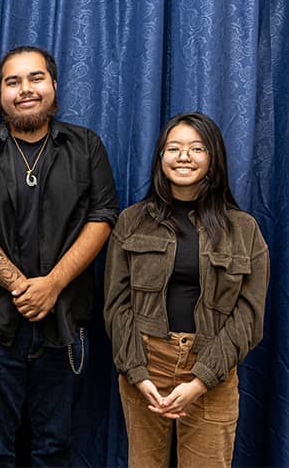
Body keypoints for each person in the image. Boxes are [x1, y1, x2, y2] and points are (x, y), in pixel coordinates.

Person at [0, 45, 119, 466]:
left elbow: (102, 218)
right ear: (0, 93)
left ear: (54, 86)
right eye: (13, 82)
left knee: (54, 447)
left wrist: (53, 285)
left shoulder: (85, 146)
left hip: (64, 322)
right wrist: (21, 287)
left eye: (36, 78)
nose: (25, 89)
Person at [103, 112, 269, 467]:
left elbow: (249, 316)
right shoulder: (132, 221)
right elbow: (116, 305)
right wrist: (136, 372)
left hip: (213, 367)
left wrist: (200, 380)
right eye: (173, 148)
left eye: (197, 148)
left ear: (213, 159)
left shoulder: (244, 230)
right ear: (160, 158)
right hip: (147, 365)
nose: (183, 156)